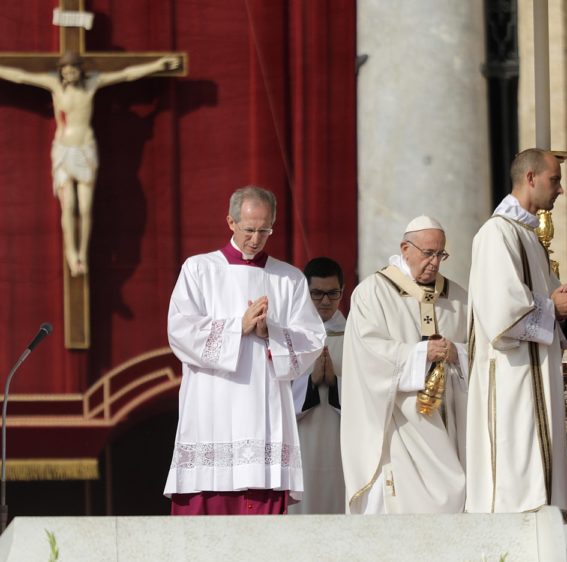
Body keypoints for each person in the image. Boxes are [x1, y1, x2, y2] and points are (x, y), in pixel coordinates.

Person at [163, 186, 326, 515]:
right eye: (249, 229)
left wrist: (271, 332)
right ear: (230, 222)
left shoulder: (288, 278)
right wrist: (239, 326)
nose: (256, 238)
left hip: (264, 406)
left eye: (264, 230)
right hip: (212, 405)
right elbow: (180, 330)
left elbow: (311, 338)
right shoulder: (199, 270)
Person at [464, 148, 567, 515]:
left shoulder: (529, 238)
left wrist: (559, 306)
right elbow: (499, 313)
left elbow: (546, 302)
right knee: (515, 476)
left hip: (534, 372)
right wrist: (554, 307)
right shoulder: (496, 234)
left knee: (537, 476)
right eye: (555, 180)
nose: (561, 190)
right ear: (531, 178)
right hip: (512, 376)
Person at [0, 51, 181, 275]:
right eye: (66, 71)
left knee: (85, 208)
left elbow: (126, 74)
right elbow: (21, 77)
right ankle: (71, 253)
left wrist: (157, 65)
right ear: (62, 72)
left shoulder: (92, 84)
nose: (70, 74)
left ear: (80, 70)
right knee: (69, 206)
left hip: (85, 151)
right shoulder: (55, 86)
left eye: (74, 69)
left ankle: (82, 254)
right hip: (64, 152)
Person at [341, 216, 469, 514]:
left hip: (449, 421)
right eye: (428, 254)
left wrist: (455, 352)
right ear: (405, 248)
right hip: (398, 423)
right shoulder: (373, 293)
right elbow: (367, 354)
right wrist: (421, 353)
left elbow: (479, 352)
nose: (435, 263)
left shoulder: (458, 298)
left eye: (441, 254)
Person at [288, 257, 346, 514]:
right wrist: (311, 383)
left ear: (342, 292)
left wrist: (335, 384)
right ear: (305, 292)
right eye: (317, 294)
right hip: (300, 441)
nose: (325, 301)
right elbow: (274, 395)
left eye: (332, 294)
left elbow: (371, 393)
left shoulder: (355, 336)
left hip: (341, 443)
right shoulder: (290, 336)